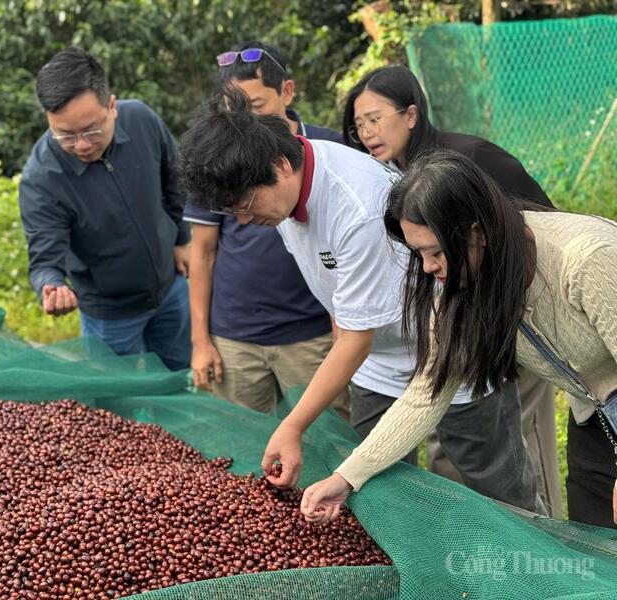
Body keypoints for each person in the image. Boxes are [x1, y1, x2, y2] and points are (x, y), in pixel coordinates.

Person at [178, 89, 544, 514]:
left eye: (244, 205)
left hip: (454, 358)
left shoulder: (357, 206)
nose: (244, 221)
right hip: (379, 369)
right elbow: (340, 301)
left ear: (279, 166)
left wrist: (293, 426)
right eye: (232, 212)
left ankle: (535, 575)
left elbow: (355, 339)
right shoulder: (280, 193)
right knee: (381, 503)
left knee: (500, 499)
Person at [301, 150, 617, 528]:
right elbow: (427, 394)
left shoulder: (588, 261)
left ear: (476, 232)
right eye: (418, 254)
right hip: (596, 413)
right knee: (596, 536)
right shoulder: (463, 284)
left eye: (435, 252)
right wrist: (347, 477)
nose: (428, 267)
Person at [342, 65, 562, 517]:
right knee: (450, 462)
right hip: (466, 325)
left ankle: (550, 549)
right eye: (358, 124)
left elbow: (542, 232)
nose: (366, 132)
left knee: (521, 454)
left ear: (411, 114)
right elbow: (426, 393)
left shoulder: (474, 158)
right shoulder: (391, 179)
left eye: (375, 118)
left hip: (529, 321)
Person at [185, 41, 349, 418]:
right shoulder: (217, 155)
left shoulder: (328, 149)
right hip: (236, 336)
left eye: (255, 107)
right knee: (245, 446)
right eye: (234, 108)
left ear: (287, 91)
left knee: (327, 440)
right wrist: (200, 341)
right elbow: (203, 252)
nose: (244, 121)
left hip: (311, 334)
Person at [18, 48, 192, 371]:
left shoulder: (141, 120)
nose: (81, 145)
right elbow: (44, 257)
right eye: (65, 135)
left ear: (112, 106)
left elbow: (175, 178)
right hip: (108, 314)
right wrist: (51, 285)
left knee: (181, 376)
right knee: (115, 404)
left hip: (171, 287)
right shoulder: (42, 177)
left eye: (91, 130)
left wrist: (182, 237)